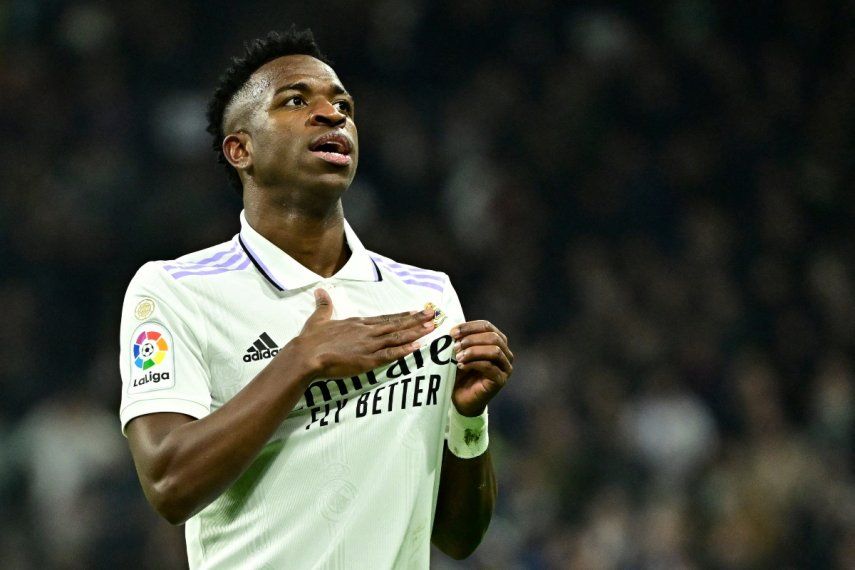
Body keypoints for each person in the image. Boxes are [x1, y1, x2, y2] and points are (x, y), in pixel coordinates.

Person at [118, 26, 514, 569]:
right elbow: (167, 482)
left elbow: (459, 538)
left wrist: (469, 423)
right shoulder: (177, 290)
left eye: (343, 105)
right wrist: (302, 361)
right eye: (296, 101)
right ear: (241, 149)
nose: (333, 114)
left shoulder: (426, 297)